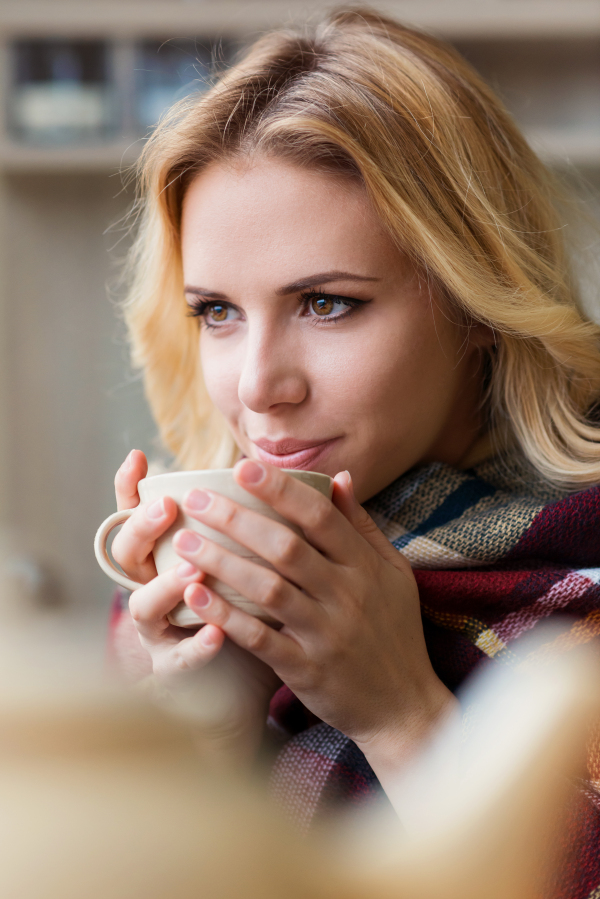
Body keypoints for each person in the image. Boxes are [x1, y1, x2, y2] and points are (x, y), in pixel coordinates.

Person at [108, 8, 600, 893]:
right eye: (216, 310)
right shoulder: (176, 615)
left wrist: (401, 710)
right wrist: (206, 734)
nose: (259, 385)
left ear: (476, 302)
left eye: (327, 303)